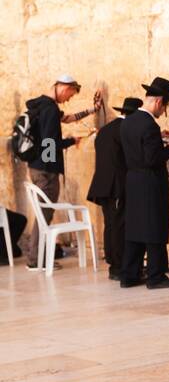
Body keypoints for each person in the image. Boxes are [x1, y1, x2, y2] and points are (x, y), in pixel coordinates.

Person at [18, 74, 100, 268]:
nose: (68, 99)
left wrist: (92, 110)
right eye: (70, 95)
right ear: (63, 88)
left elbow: (68, 119)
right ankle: (36, 260)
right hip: (45, 171)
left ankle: (35, 257)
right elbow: (49, 143)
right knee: (44, 215)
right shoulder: (50, 110)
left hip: (36, 167)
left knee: (42, 214)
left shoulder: (40, 105)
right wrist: (70, 142)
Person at [120, 77, 169, 289]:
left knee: (135, 227)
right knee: (155, 225)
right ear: (159, 102)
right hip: (150, 181)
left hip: (132, 180)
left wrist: (159, 140)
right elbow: (152, 158)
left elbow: (136, 150)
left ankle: (129, 274)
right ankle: (156, 275)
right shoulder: (149, 125)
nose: (163, 112)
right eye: (165, 107)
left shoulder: (128, 121)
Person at [86, 96, 140, 280]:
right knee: (118, 226)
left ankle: (113, 263)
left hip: (101, 185)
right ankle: (118, 267)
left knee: (110, 225)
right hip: (116, 185)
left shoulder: (106, 129)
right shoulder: (124, 130)